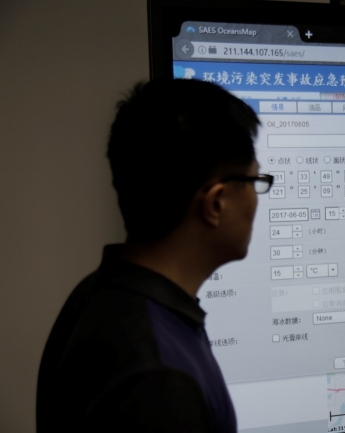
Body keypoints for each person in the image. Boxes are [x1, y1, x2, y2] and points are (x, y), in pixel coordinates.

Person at [36, 79, 272, 432]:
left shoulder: (96, 294)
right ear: (216, 203)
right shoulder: (160, 382)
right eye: (255, 181)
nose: (256, 197)